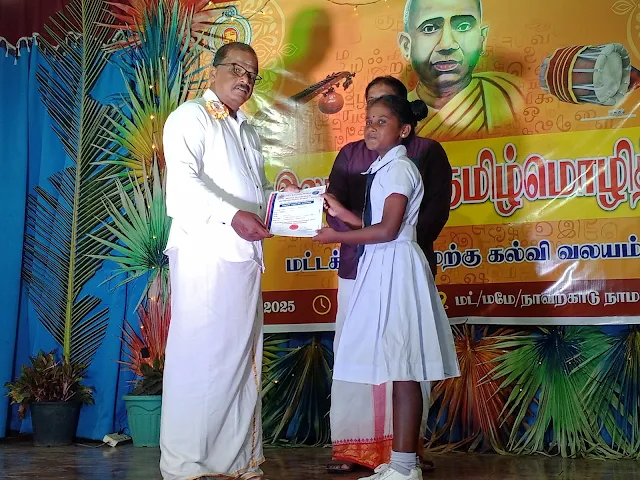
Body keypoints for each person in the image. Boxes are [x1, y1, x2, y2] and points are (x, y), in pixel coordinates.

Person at [160, 42, 289, 480]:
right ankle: (185, 467)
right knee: (201, 360)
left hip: (245, 257)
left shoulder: (247, 130)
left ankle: (233, 463)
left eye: (252, 74)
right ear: (212, 71)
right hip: (206, 253)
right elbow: (181, 186)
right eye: (236, 68)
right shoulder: (191, 117)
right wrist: (232, 216)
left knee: (238, 361)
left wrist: (286, 201)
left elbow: (257, 192)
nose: (245, 79)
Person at [314, 95, 460, 480]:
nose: (371, 127)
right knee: (398, 366)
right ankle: (400, 464)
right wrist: (342, 214)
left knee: (404, 367)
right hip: (385, 264)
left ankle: (406, 466)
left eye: (382, 122)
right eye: (369, 121)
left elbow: (388, 230)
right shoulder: (386, 168)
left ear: (404, 130)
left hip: (396, 266)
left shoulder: (399, 169)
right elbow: (378, 223)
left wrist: (336, 236)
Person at [399, 0, 524, 140]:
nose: (447, 44)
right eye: (430, 28)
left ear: (482, 39)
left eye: (463, 26)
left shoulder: (512, 93)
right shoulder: (395, 113)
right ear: (406, 46)